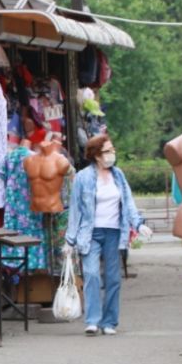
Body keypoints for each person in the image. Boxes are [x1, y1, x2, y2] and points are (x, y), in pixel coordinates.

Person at [65, 134, 150, 335]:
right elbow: (75, 209)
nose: (112, 154)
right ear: (96, 155)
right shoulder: (83, 177)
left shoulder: (118, 175)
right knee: (92, 274)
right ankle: (93, 320)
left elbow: (128, 202)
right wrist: (70, 240)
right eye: (107, 151)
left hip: (114, 232)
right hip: (90, 233)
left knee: (113, 278)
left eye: (112, 150)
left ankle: (110, 321)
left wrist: (138, 224)